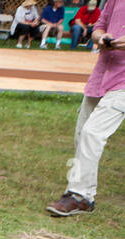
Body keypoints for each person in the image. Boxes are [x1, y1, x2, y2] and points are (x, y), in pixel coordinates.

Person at [46, 0, 124, 216]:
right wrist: (101, 38)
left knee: (93, 133)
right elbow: (99, 27)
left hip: (123, 84)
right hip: (103, 74)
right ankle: (85, 198)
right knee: (82, 134)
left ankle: (76, 194)